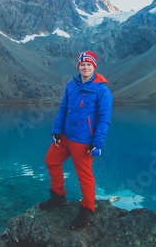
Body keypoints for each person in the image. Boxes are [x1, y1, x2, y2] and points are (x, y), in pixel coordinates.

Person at [40, 51, 113, 230]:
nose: (85, 67)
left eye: (89, 64)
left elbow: (104, 119)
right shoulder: (71, 87)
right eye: (82, 64)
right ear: (78, 66)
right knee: (51, 160)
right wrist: (57, 131)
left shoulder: (102, 91)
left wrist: (98, 143)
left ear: (94, 67)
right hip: (65, 136)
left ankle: (88, 210)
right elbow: (63, 109)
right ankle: (58, 196)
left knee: (84, 176)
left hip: (83, 140)